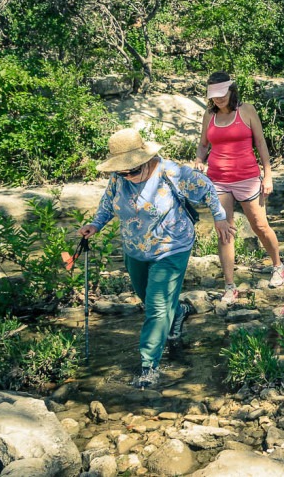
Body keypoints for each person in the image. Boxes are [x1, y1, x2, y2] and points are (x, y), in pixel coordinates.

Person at [79, 128, 232, 389]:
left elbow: (206, 187)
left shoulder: (172, 172)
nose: (128, 176)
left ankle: (149, 366)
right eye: (122, 171)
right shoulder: (120, 178)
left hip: (172, 247)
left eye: (133, 171)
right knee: (146, 296)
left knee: (157, 305)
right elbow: (108, 203)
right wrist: (95, 225)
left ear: (147, 159)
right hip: (135, 248)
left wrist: (219, 217)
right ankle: (179, 313)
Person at [194, 72, 284, 299]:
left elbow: (261, 143)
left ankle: (278, 266)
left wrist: (268, 175)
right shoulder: (209, 115)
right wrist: (198, 160)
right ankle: (229, 286)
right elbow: (203, 145)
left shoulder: (246, 110)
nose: (218, 99)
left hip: (247, 178)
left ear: (231, 90)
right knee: (225, 231)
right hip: (218, 180)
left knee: (260, 226)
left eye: (221, 94)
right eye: (214, 96)